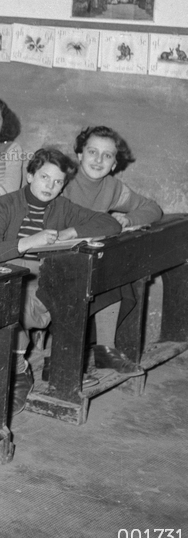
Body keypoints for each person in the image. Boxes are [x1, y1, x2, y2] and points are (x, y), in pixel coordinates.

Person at [0, 147, 122, 414]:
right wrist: (26, 243)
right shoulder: (7, 204)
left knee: (84, 291)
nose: (51, 186)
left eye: (58, 182)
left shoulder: (62, 206)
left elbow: (110, 224)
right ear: (30, 174)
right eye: (45, 177)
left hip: (46, 277)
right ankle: (20, 369)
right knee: (9, 303)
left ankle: (56, 365)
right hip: (9, 277)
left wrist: (72, 230)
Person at [64, 125, 163, 373]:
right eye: (92, 152)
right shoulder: (64, 179)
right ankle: (72, 353)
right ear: (79, 155)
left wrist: (127, 220)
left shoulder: (112, 187)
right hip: (59, 253)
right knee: (103, 271)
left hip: (90, 256)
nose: (98, 160)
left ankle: (104, 349)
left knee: (117, 271)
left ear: (114, 163)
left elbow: (152, 208)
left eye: (107, 155)